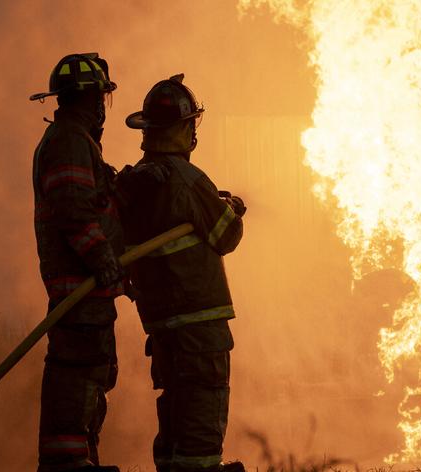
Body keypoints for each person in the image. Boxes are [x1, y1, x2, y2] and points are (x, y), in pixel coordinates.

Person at [118, 74, 246, 472]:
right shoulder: (187, 179)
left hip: (163, 328)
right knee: (201, 428)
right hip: (200, 330)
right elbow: (227, 235)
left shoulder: (135, 182)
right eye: (191, 124)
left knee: (174, 423)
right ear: (183, 129)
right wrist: (231, 211)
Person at [29, 53, 125, 472]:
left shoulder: (78, 140)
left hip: (89, 292)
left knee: (92, 381)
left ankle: (81, 459)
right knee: (77, 378)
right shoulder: (69, 141)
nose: (103, 106)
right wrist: (102, 257)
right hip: (78, 290)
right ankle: (66, 464)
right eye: (101, 97)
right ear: (89, 99)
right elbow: (72, 208)